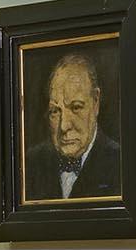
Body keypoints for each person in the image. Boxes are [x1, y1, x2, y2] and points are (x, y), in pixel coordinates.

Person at [22, 50, 120, 200]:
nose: (64, 126)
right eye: (55, 111)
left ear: (96, 103)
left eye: (76, 107)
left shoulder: (119, 163)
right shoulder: (30, 163)